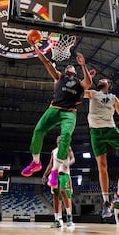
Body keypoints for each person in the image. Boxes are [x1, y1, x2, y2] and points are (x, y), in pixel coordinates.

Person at [21, 34, 92, 189]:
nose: (68, 67)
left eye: (71, 67)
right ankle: (36, 162)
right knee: (38, 130)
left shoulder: (79, 83)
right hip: (54, 108)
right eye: (67, 66)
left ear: (75, 71)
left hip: (70, 113)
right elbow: (46, 62)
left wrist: (83, 65)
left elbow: (88, 82)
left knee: (66, 136)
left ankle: (54, 171)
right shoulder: (59, 77)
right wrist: (34, 47)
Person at [83, 78, 119, 217]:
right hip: (96, 132)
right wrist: (86, 76)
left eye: (104, 79)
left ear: (110, 84)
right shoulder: (92, 93)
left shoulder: (113, 98)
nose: (101, 80)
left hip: (111, 130)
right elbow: (78, 91)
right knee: (102, 167)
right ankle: (106, 202)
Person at [42, 136, 75, 228]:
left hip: (64, 174)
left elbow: (73, 159)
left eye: (61, 139)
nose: (59, 139)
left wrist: (67, 163)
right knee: (56, 196)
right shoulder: (54, 151)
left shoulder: (68, 148)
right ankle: (57, 220)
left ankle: (69, 217)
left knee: (63, 191)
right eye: (58, 139)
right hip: (54, 175)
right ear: (56, 141)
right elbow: (50, 164)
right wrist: (45, 174)